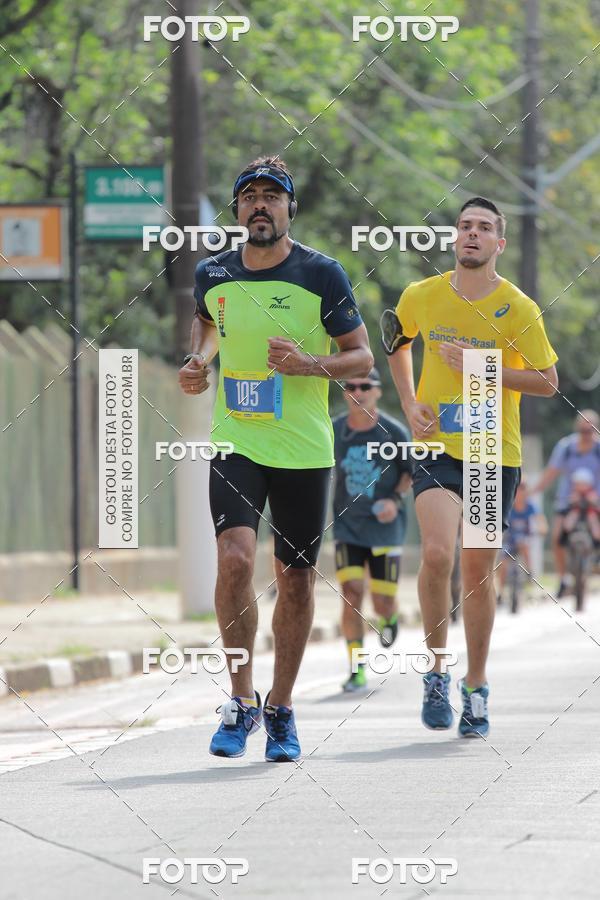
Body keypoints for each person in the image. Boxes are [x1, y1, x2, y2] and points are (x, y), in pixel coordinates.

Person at [178, 156, 373, 761]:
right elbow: (207, 324)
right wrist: (197, 362)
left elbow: (362, 358)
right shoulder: (211, 272)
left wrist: (308, 365)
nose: (260, 205)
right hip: (237, 441)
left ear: (291, 209)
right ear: (236, 209)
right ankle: (240, 701)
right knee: (234, 558)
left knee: (293, 577)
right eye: (249, 197)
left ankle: (281, 708)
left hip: (304, 450)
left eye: (272, 196)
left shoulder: (322, 274)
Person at [385, 196, 558, 737]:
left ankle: (476, 687)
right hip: (436, 445)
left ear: (499, 244)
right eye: (464, 227)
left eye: (484, 228)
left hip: (490, 451)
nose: (472, 235)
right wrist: (409, 401)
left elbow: (548, 382)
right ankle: (436, 671)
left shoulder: (520, 308)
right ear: (454, 238)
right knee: (437, 553)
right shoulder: (422, 295)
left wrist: (486, 367)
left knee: (477, 570)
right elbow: (396, 341)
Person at [332, 367, 412, 692]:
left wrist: (394, 498)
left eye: (365, 385)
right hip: (347, 526)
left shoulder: (393, 432)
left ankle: (390, 618)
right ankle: (356, 669)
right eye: (351, 386)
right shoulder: (334, 430)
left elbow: (410, 473)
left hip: (385, 529)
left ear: (377, 391)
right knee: (351, 593)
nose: (358, 391)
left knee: (381, 601)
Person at [529, 410, 600, 597]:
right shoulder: (566, 447)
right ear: (577, 429)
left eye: (590, 430)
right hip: (568, 499)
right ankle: (564, 578)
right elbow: (550, 473)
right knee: (557, 536)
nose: (587, 434)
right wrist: (532, 492)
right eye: (583, 430)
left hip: (595, 499)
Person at [497, 479, 547, 601]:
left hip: (525, 539)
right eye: (518, 489)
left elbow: (541, 522)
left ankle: (529, 575)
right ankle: (500, 592)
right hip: (509, 540)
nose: (520, 492)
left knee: (525, 546)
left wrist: (541, 529)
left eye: (523, 489)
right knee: (503, 562)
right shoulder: (509, 505)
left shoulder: (531, 506)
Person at [559, 468, 600, 549]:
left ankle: (597, 541)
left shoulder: (591, 493)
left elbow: (595, 500)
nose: (579, 486)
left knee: (594, 522)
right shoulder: (575, 493)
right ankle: (565, 536)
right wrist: (572, 500)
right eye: (577, 484)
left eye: (582, 484)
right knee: (569, 521)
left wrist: (592, 500)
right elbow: (570, 500)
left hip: (590, 512)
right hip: (577, 511)